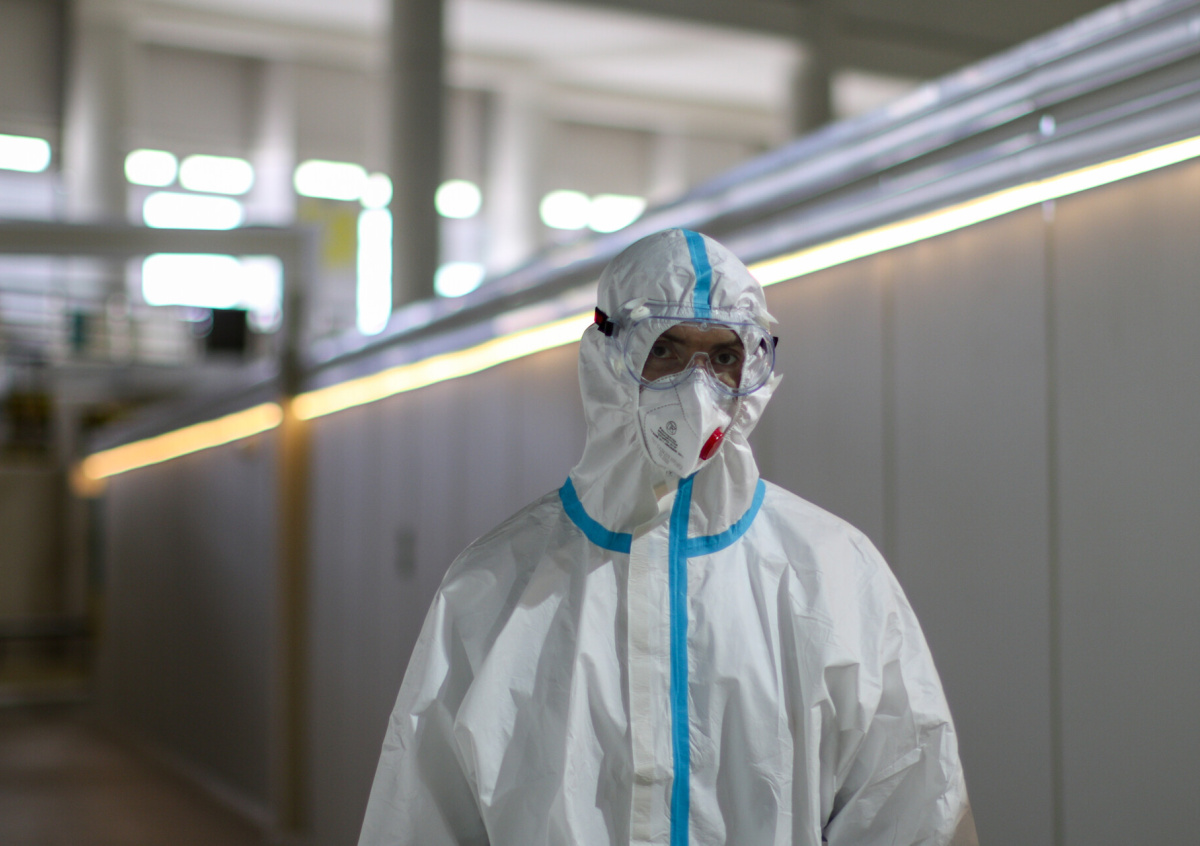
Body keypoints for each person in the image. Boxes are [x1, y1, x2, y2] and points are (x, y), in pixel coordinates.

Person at [359, 229, 977, 846]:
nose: (696, 387)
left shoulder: (835, 575)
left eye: (724, 358)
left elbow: (911, 811)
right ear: (605, 357)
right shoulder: (493, 588)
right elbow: (421, 821)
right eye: (665, 351)